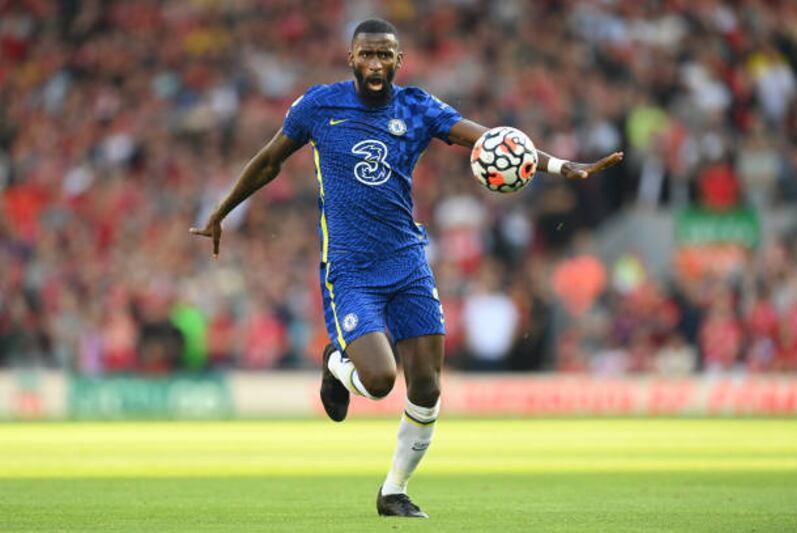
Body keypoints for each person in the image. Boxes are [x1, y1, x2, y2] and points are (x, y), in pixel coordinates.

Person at [191, 18, 623, 518]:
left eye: (385, 55)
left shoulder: (417, 107)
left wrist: (559, 166)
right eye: (367, 54)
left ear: (400, 60)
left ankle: (393, 490)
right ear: (351, 59)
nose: (376, 63)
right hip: (350, 268)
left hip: (408, 264)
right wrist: (221, 212)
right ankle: (335, 363)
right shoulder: (318, 106)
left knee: (428, 385)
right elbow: (269, 161)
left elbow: (490, 142)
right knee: (378, 379)